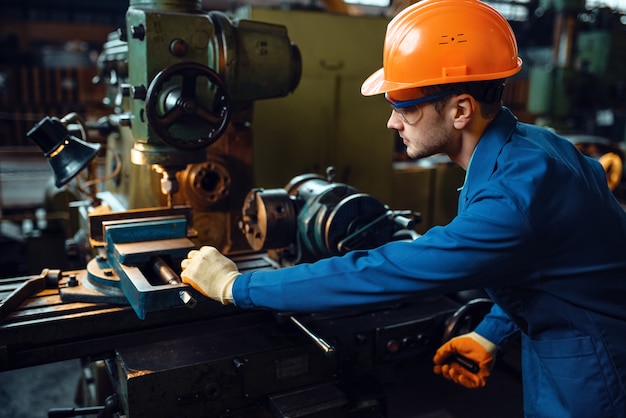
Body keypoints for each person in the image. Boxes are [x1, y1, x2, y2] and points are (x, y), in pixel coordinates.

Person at [180, 0, 626, 416]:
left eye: (405, 108)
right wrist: (492, 332)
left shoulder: (513, 196)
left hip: (594, 369)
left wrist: (236, 286)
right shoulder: (533, 146)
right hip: (566, 342)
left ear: (461, 110)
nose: (392, 122)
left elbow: (385, 272)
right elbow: (549, 267)